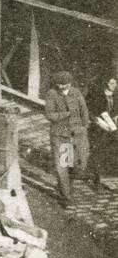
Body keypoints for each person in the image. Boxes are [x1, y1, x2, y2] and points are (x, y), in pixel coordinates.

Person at [45, 70, 94, 205]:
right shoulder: (52, 94)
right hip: (61, 136)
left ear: (69, 84)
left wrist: (84, 128)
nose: (61, 87)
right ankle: (66, 196)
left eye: (64, 84)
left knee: (80, 164)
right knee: (63, 166)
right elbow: (49, 115)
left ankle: (66, 188)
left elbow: (84, 111)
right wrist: (65, 114)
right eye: (59, 84)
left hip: (78, 135)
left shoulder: (76, 92)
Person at [89, 77, 118, 183]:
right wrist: (104, 124)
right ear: (106, 84)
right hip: (99, 126)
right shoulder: (99, 96)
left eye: (116, 83)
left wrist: (115, 120)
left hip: (110, 126)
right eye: (112, 83)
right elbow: (97, 113)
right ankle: (97, 178)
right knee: (99, 151)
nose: (115, 85)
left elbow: (114, 112)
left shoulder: (115, 96)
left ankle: (110, 173)